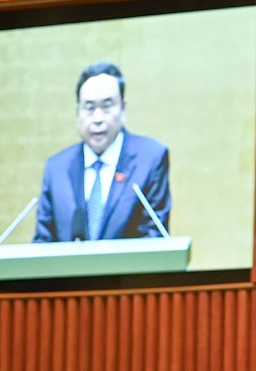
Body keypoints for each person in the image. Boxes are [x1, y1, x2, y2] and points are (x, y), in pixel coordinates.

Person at [33, 61, 172, 242]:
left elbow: (154, 238)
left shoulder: (150, 158)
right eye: (89, 108)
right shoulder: (56, 168)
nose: (97, 118)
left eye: (107, 106)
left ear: (123, 109)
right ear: (77, 113)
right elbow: (43, 244)